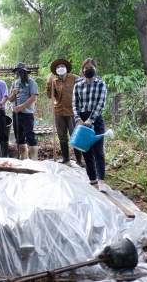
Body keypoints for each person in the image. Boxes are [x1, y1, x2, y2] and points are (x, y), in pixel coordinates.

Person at [73, 58, 108, 192]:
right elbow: (74, 103)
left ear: (95, 68)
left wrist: (91, 119)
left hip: (96, 120)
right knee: (85, 150)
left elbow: (101, 103)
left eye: (91, 67)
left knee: (98, 151)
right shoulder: (78, 84)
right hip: (81, 119)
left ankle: (101, 181)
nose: (88, 70)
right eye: (86, 68)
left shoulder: (100, 84)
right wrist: (78, 119)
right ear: (83, 70)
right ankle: (92, 179)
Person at [46, 58, 85, 167]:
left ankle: (79, 160)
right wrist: (49, 84)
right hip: (59, 111)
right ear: (55, 70)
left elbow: (84, 88)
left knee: (75, 135)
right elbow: (50, 96)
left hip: (73, 111)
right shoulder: (54, 82)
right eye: (58, 67)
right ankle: (65, 159)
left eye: (62, 67)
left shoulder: (75, 78)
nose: (60, 69)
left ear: (66, 68)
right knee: (62, 136)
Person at [8, 62, 39, 160]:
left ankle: (34, 159)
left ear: (26, 72)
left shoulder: (31, 82)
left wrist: (22, 106)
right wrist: (13, 94)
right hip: (16, 113)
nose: (19, 73)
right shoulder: (14, 84)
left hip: (27, 113)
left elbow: (33, 98)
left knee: (29, 134)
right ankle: (23, 157)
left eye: (21, 71)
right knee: (19, 135)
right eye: (17, 71)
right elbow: (10, 99)